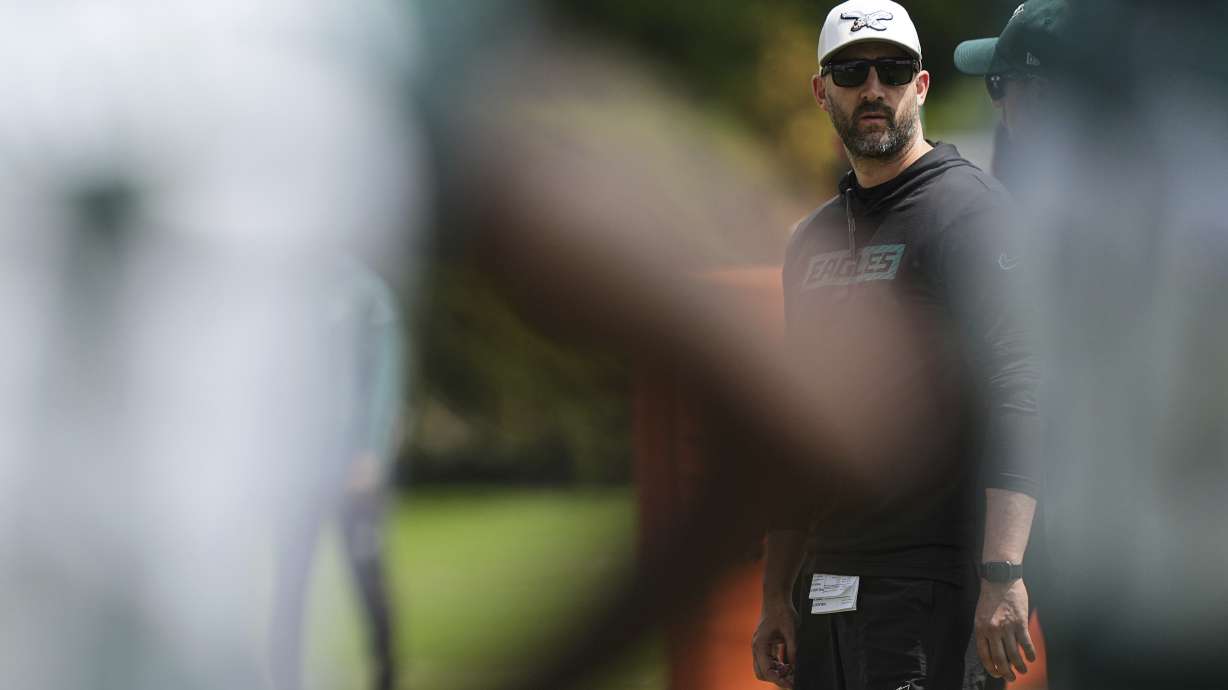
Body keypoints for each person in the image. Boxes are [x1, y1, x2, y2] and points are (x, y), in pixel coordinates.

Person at [751, 2, 1040, 688]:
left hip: (932, 587)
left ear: (922, 84)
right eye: (852, 72)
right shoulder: (811, 239)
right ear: (822, 91)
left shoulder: (972, 212)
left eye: (894, 70)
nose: (873, 88)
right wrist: (775, 594)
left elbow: (1020, 389)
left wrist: (1003, 572)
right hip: (826, 584)